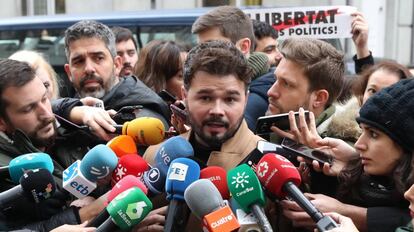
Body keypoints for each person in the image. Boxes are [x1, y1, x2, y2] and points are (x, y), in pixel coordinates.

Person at [143, 40, 264, 231]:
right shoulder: (155, 156)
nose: (217, 110)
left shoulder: (267, 164)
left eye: (230, 99)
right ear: (184, 95)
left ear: (246, 99)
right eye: (205, 97)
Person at [281, 79, 414, 232]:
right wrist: (351, 164)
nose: (358, 145)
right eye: (362, 130)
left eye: (373, 134)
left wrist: (346, 212)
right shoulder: (373, 177)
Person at [0, 59, 107, 231]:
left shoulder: (68, 130)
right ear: (2, 122)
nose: (47, 114)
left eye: (44, 99)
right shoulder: (5, 174)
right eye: (29, 109)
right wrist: (78, 216)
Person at [63, 20, 170, 127]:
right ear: (69, 72)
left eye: (98, 58)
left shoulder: (143, 118)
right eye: (79, 61)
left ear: (117, 65)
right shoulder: (68, 111)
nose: (89, 69)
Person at [191, 5, 275, 131]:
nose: (202, 55)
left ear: (244, 46)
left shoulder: (259, 94)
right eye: (200, 48)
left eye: (213, 46)